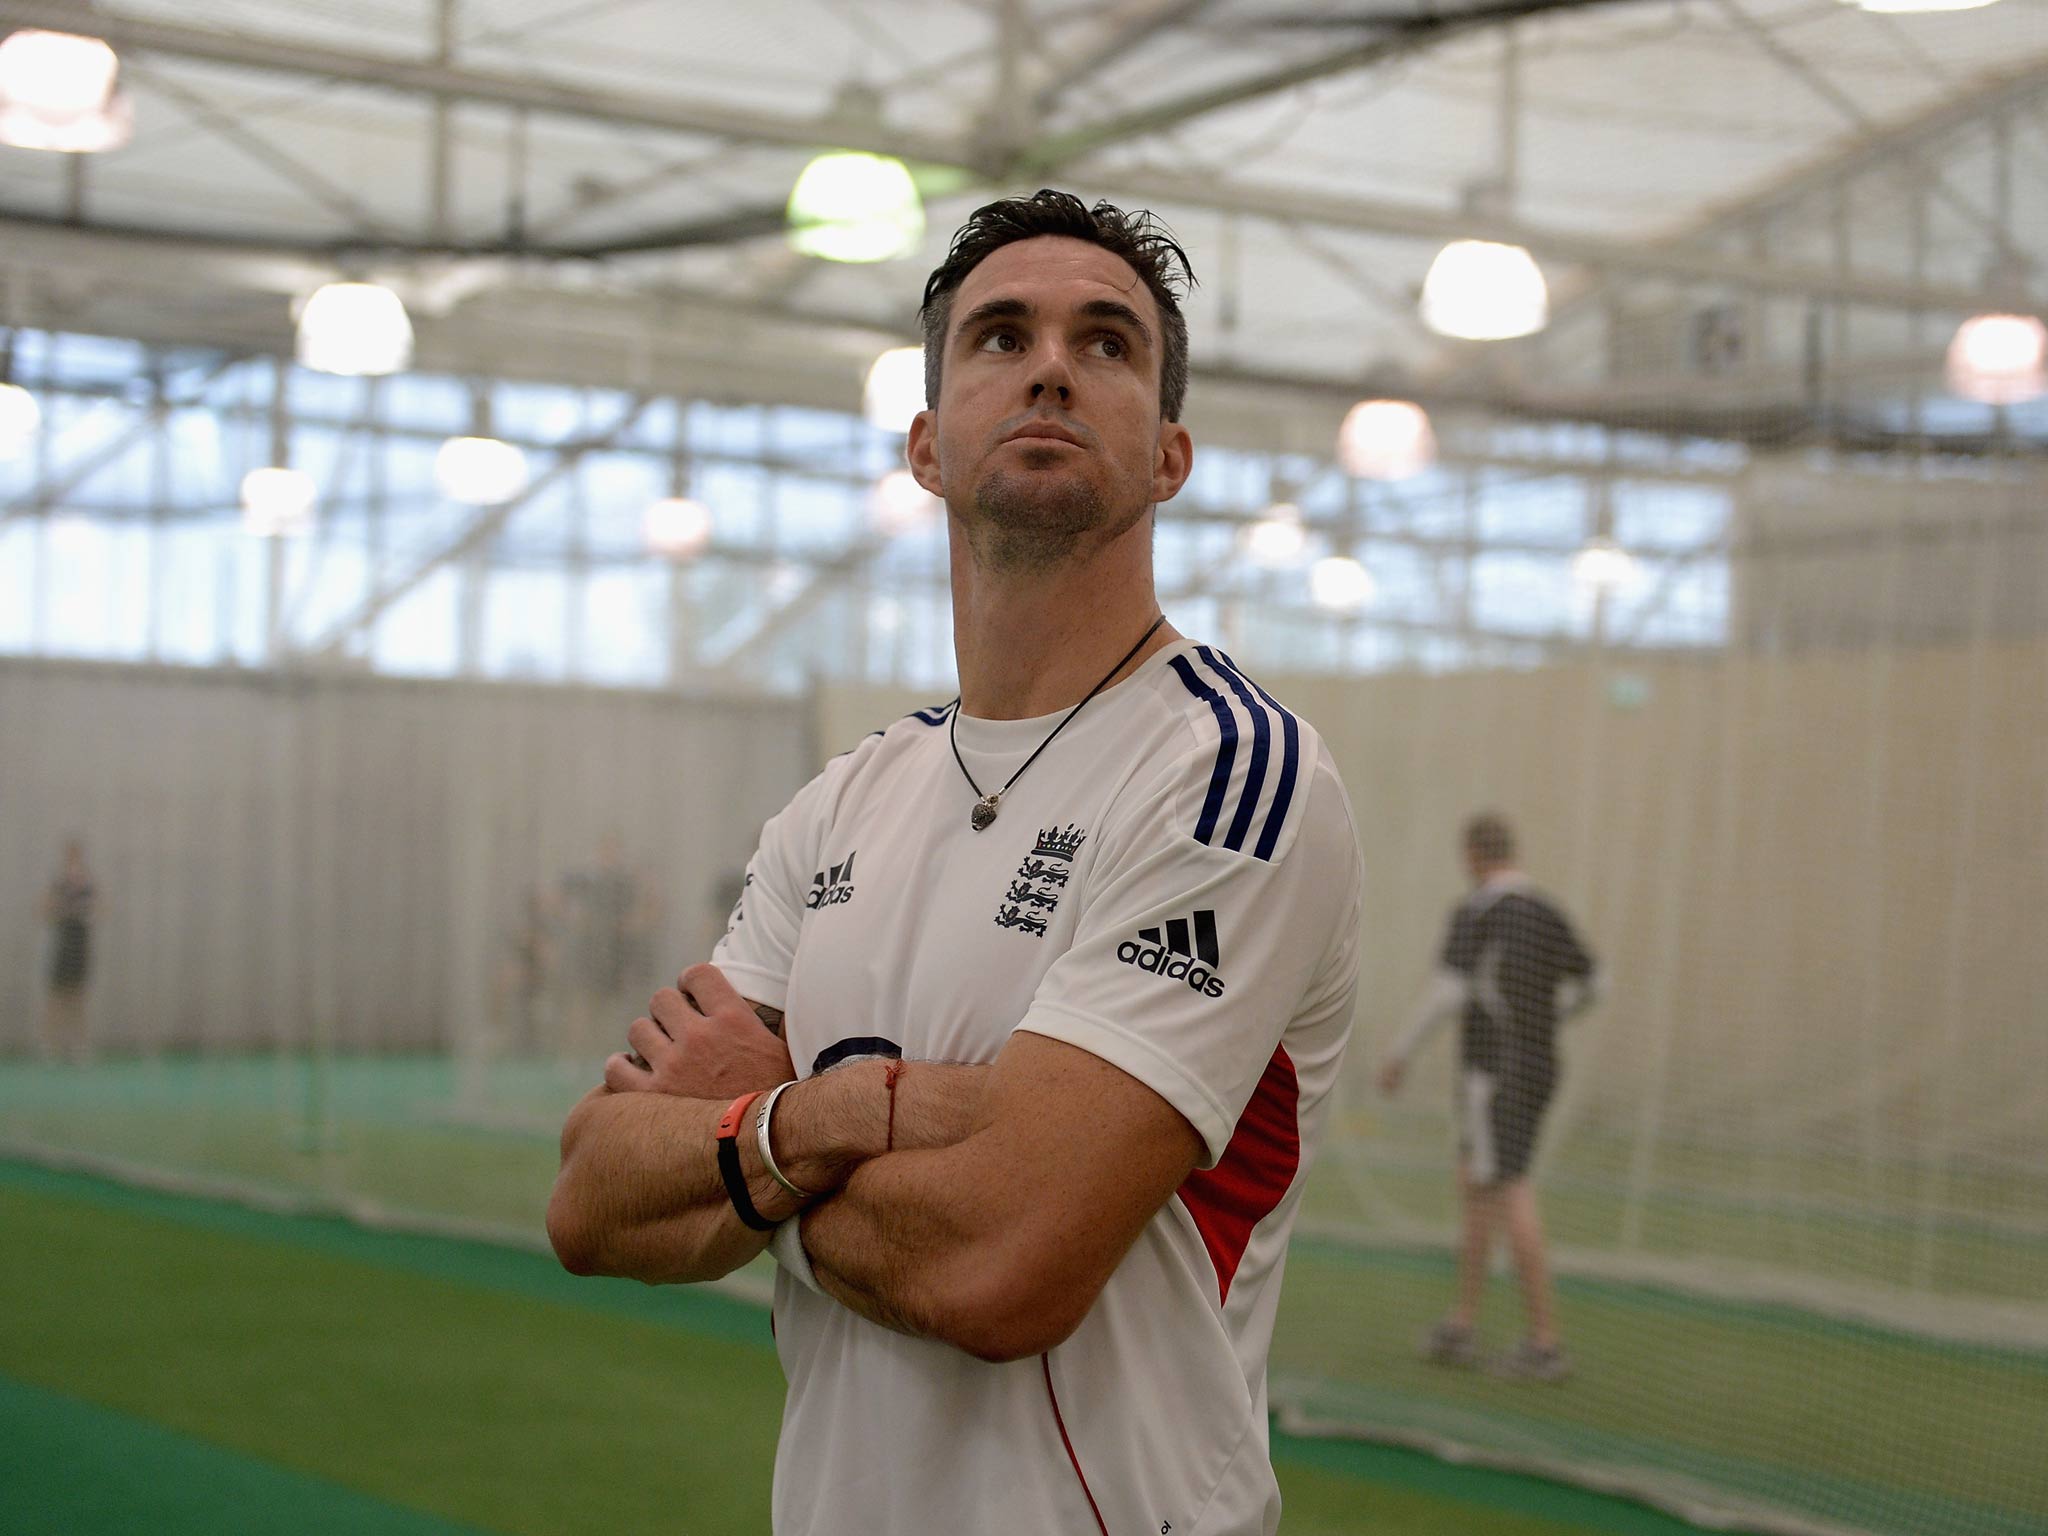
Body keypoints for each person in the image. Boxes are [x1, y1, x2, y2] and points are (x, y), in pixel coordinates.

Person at [547, 190, 1363, 1536]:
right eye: (1000, 336)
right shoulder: (847, 797)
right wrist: (825, 1116)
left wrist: (745, 1141)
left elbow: (1005, 1267)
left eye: (1108, 343)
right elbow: (593, 1201)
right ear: (928, 446)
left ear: (1170, 455)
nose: (1050, 364)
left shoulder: (1230, 774)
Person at [1377, 811, 1600, 1382]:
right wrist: (1543, 1021)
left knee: (1508, 1186)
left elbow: (1448, 990)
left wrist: (1400, 1051)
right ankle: (1462, 1323)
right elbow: (1592, 983)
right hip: (1538, 1065)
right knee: (1476, 1183)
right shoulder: (1548, 912)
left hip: (1494, 1074)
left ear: (1473, 855)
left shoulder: (1477, 912)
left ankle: (1544, 1344)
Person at [39, 837, 97, 1061]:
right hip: (62, 942)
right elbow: (43, 910)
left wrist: (85, 908)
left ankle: (79, 1046)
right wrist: (61, 907)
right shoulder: (58, 884)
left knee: (78, 996)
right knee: (56, 996)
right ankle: (50, 1046)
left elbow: (101, 908)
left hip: (80, 942)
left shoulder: (87, 884)